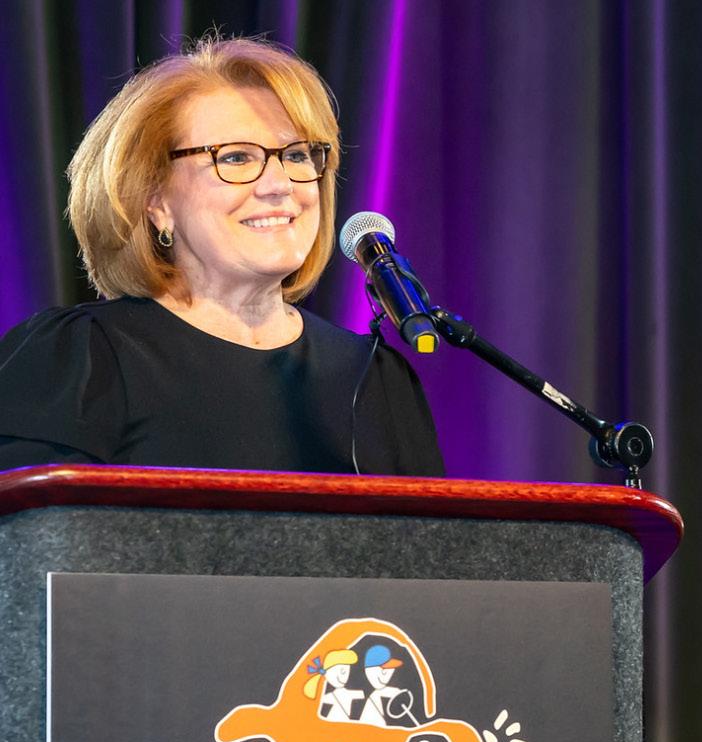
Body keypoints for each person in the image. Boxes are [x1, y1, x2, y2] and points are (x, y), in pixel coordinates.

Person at [0, 35, 444, 475]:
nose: (279, 185)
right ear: (155, 199)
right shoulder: (78, 361)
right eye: (235, 158)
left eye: (296, 155)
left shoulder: (377, 379)